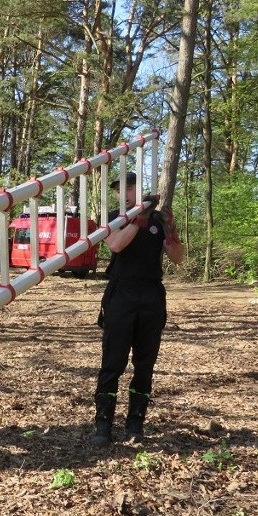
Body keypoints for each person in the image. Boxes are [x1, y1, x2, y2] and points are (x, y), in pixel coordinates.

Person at [92, 172, 184, 447]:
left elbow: (177, 259)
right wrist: (137, 219)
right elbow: (116, 244)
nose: (126, 193)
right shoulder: (113, 218)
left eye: (130, 187)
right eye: (121, 190)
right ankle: (103, 425)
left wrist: (171, 233)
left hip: (151, 295)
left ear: (139, 188)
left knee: (145, 364)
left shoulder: (157, 220)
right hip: (121, 295)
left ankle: (135, 423)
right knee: (113, 363)